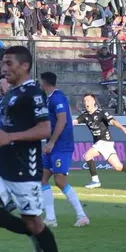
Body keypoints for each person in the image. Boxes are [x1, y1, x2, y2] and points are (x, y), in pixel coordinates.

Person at [0, 45, 71, 252]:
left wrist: (11, 137)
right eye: (3, 63)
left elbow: (44, 130)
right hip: (0, 164)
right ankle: (31, 234)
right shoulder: (10, 93)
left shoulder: (33, 94)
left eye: (8, 63)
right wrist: (1, 138)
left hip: (25, 169)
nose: (4, 68)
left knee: (35, 222)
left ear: (24, 66)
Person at [39, 72, 89, 228]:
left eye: (40, 81)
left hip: (61, 146)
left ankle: (82, 215)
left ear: (45, 83)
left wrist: (52, 142)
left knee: (60, 181)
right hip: (51, 144)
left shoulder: (57, 97)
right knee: (42, 179)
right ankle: (51, 218)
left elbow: (62, 121)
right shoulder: (48, 98)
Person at [78, 94, 126, 189]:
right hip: (101, 143)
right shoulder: (85, 116)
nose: (86, 103)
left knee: (87, 155)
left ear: (93, 102)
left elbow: (113, 122)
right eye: (84, 101)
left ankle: (95, 181)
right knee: (118, 166)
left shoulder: (101, 113)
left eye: (88, 100)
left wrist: (124, 129)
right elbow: (74, 122)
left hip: (105, 141)